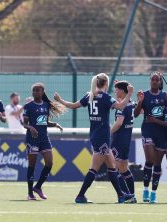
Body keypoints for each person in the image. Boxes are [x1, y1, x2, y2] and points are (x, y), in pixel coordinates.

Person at [54, 73, 134, 204]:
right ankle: (80, 195)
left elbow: (73, 105)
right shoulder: (106, 98)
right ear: (106, 84)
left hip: (95, 134)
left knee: (112, 166)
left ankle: (121, 195)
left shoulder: (90, 95)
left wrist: (60, 100)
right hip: (103, 136)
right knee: (94, 168)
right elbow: (120, 106)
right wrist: (129, 93)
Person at [23, 83, 64, 200]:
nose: (36, 92)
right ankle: (30, 193)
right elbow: (24, 123)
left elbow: (44, 122)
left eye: (39, 90)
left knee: (50, 163)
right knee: (32, 165)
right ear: (32, 93)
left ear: (43, 92)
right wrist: (30, 128)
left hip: (44, 138)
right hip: (32, 139)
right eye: (34, 90)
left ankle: (38, 187)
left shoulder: (46, 105)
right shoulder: (28, 106)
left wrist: (55, 124)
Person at [134, 71, 167, 203]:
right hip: (148, 130)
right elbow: (136, 114)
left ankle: (154, 192)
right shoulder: (144, 95)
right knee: (149, 160)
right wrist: (140, 102)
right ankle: (145, 190)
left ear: (160, 82)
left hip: (162, 132)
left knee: (158, 163)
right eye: (152, 79)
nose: (154, 81)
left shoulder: (165, 96)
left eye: (156, 79)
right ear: (150, 81)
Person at [110, 81, 137, 203]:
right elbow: (138, 109)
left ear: (122, 91)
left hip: (119, 140)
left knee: (114, 168)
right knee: (123, 169)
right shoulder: (130, 103)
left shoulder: (123, 105)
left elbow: (119, 123)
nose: (115, 92)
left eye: (117, 90)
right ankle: (131, 196)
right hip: (126, 140)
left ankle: (125, 196)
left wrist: (108, 132)